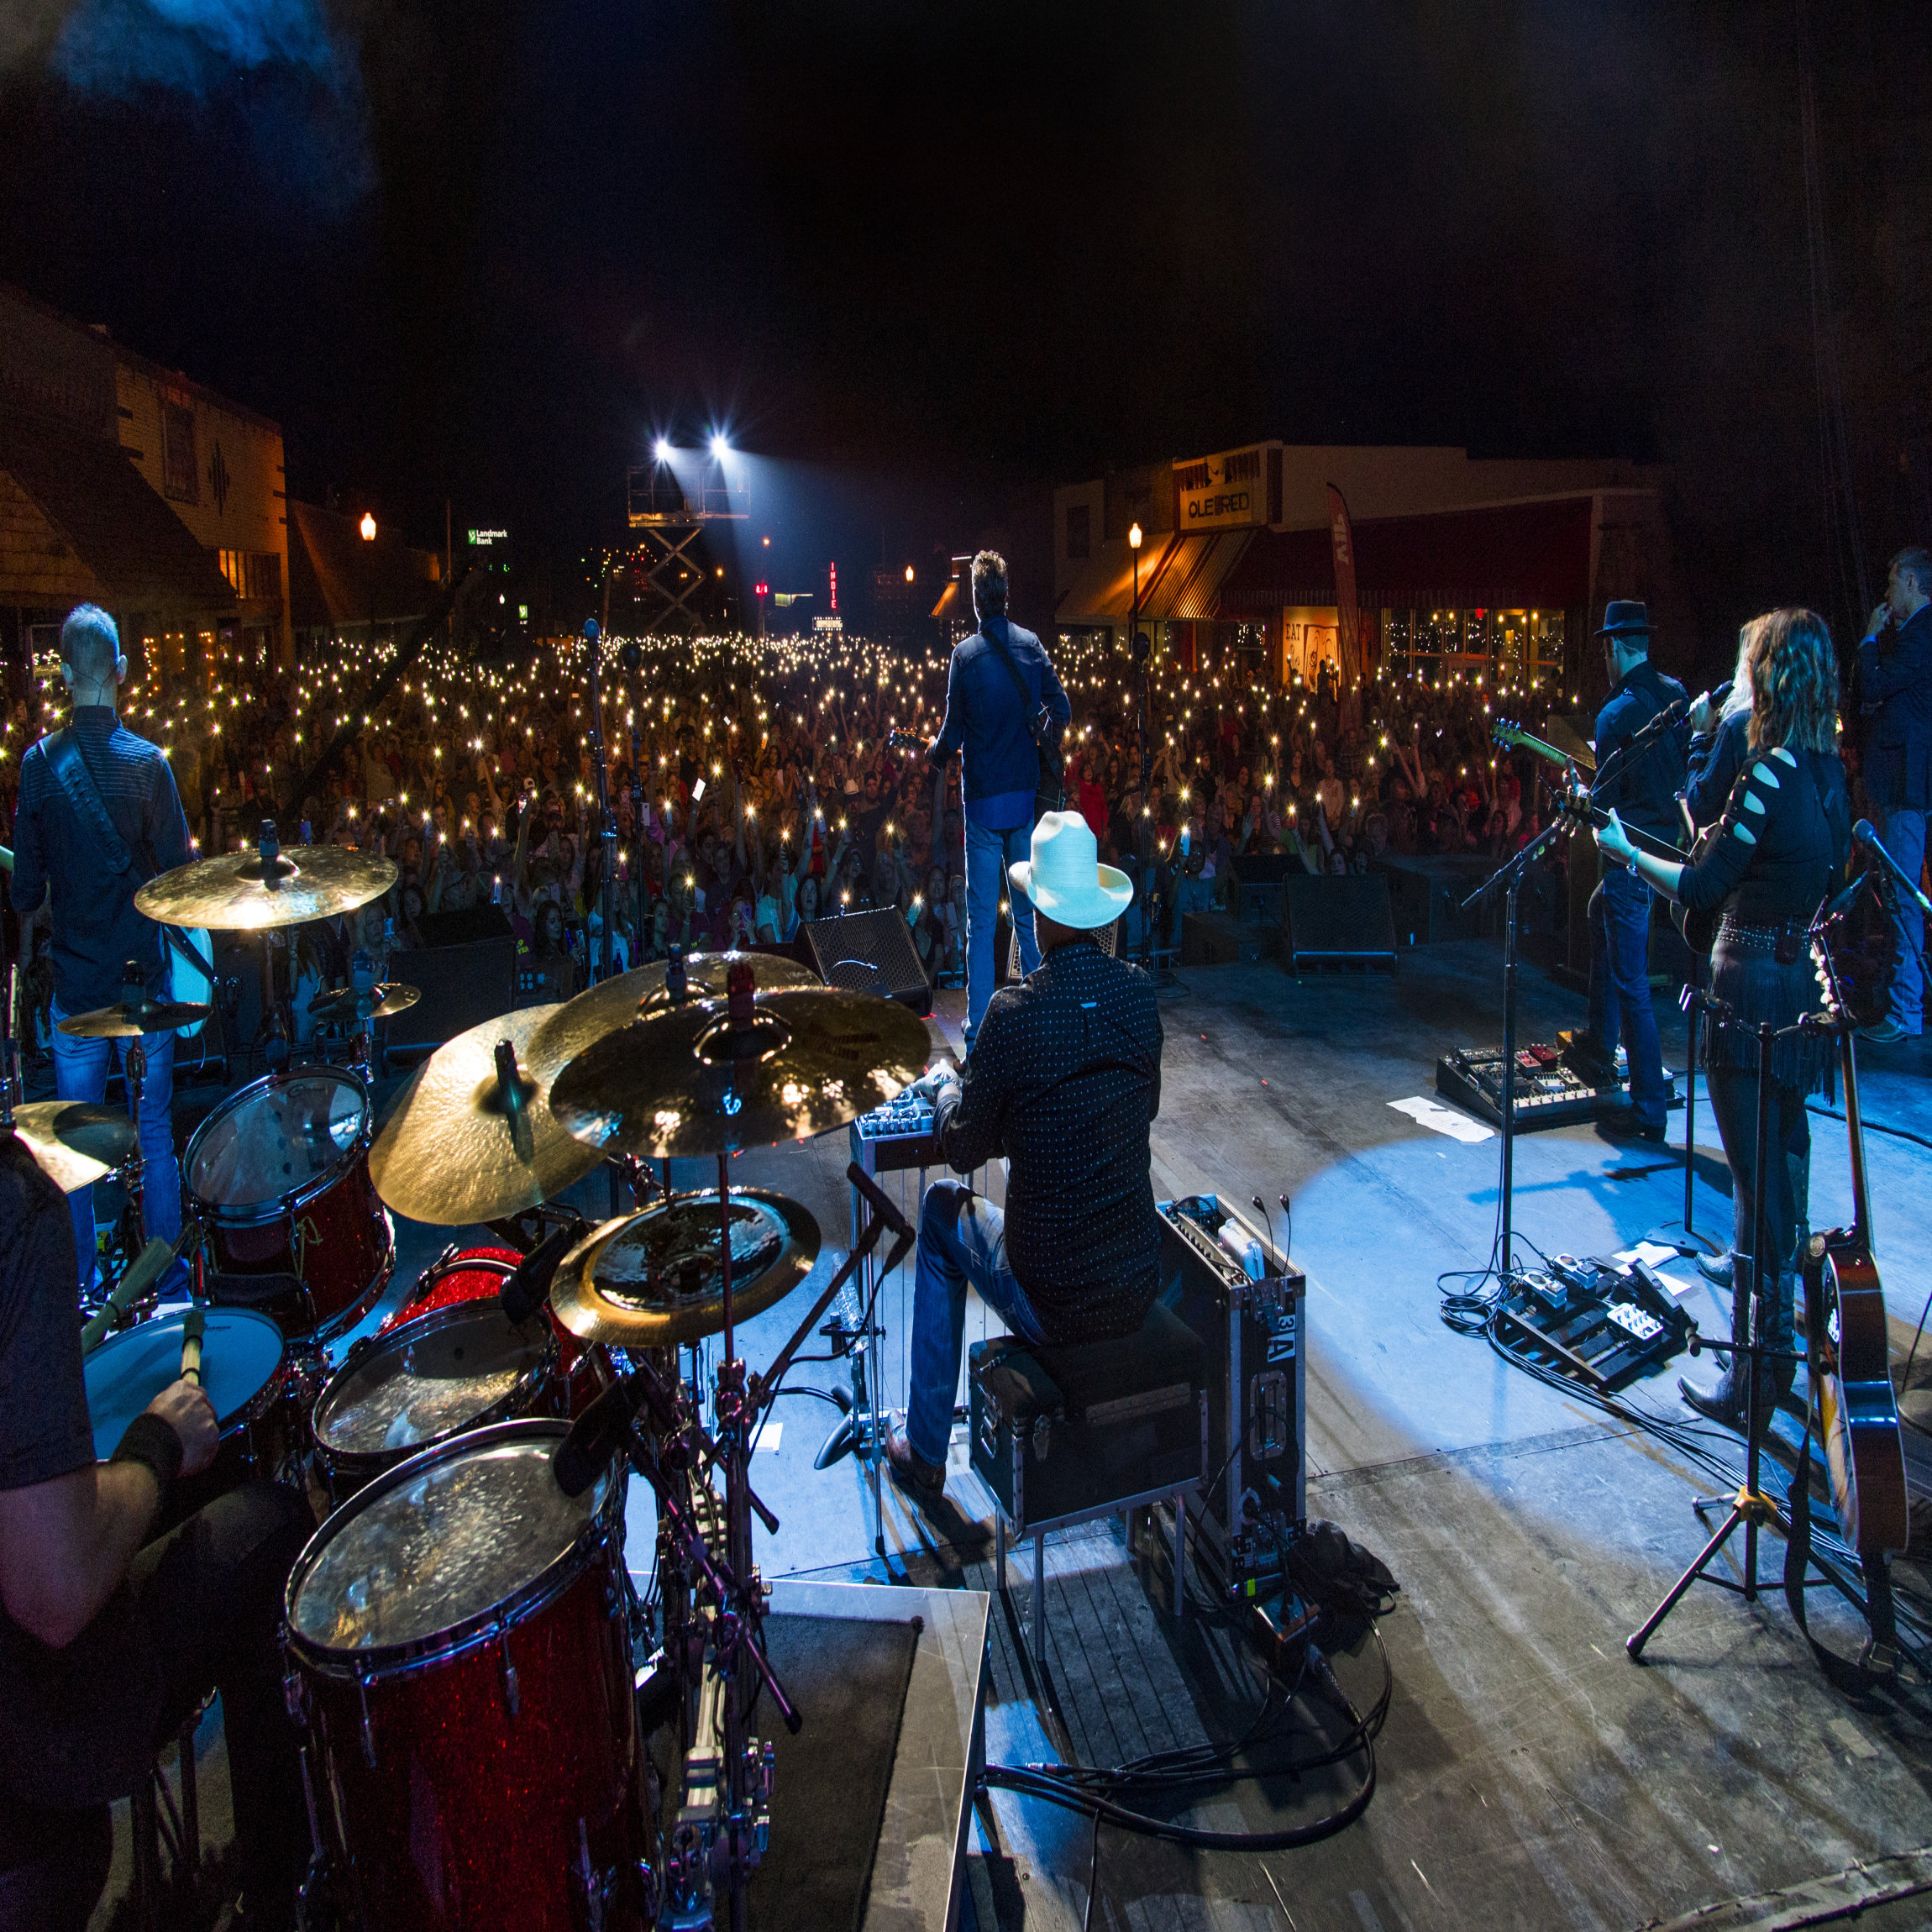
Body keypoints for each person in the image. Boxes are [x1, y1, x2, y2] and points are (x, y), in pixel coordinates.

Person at [0, 1135, 314, 1929]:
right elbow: (57, 1589)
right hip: (26, 1748)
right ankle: (283, 1902)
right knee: (268, 1522)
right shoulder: (12, 1211)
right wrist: (156, 1443)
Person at [1595, 608, 1850, 1436]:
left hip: (1744, 994)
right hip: (1798, 993)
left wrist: (1621, 847)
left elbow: (1700, 885)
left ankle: (1750, 1374)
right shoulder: (1826, 774)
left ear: (1771, 677)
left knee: (1749, 1186)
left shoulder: (1770, 772)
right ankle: (1784, 1345)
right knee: (1779, 1167)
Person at [884, 811, 1159, 1499]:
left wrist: (948, 1089)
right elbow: (1137, 1109)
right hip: (1135, 1280)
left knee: (943, 1212)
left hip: (1053, 1299)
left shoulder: (1014, 1014)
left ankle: (922, 1455)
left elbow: (962, 1149)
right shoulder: (1139, 994)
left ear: (1036, 916)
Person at [8, 606, 193, 1291]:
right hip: (143, 993)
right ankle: (168, 1287)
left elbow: (25, 894)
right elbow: (179, 883)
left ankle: (84, 1298)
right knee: (153, 1135)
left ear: (61, 674)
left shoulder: (36, 768)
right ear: (120, 672)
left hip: (78, 996)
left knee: (73, 1149)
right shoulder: (149, 767)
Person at [922, 550, 1071, 1049]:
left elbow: (953, 732)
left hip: (983, 805)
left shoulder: (964, 657)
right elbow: (1063, 710)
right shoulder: (1032, 647)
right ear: (1006, 594)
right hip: (1024, 800)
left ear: (974, 597)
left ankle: (981, 1030)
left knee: (982, 919)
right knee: (1027, 916)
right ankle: (1040, 1018)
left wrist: (934, 754)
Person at [1567, 601, 1688, 1142]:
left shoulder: (1615, 715)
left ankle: (1648, 1111)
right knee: (1599, 916)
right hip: (1671, 851)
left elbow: (1604, 804)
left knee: (1632, 980)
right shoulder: (1677, 696)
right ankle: (1599, 1035)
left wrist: (1579, 796)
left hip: (1630, 857)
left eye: (1604, 650)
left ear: (1615, 648)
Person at [1853, 545, 1932, 1043]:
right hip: (1905, 782)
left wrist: (1867, 638)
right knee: (1902, 897)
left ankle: (1905, 1011)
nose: (1885, 595)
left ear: (1908, 581)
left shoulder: (1921, 633)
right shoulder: (1912, 635)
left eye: (1890, 584)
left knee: (1904, 896)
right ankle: (1904, 1003)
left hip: (1908, 785)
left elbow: (1875, 686)